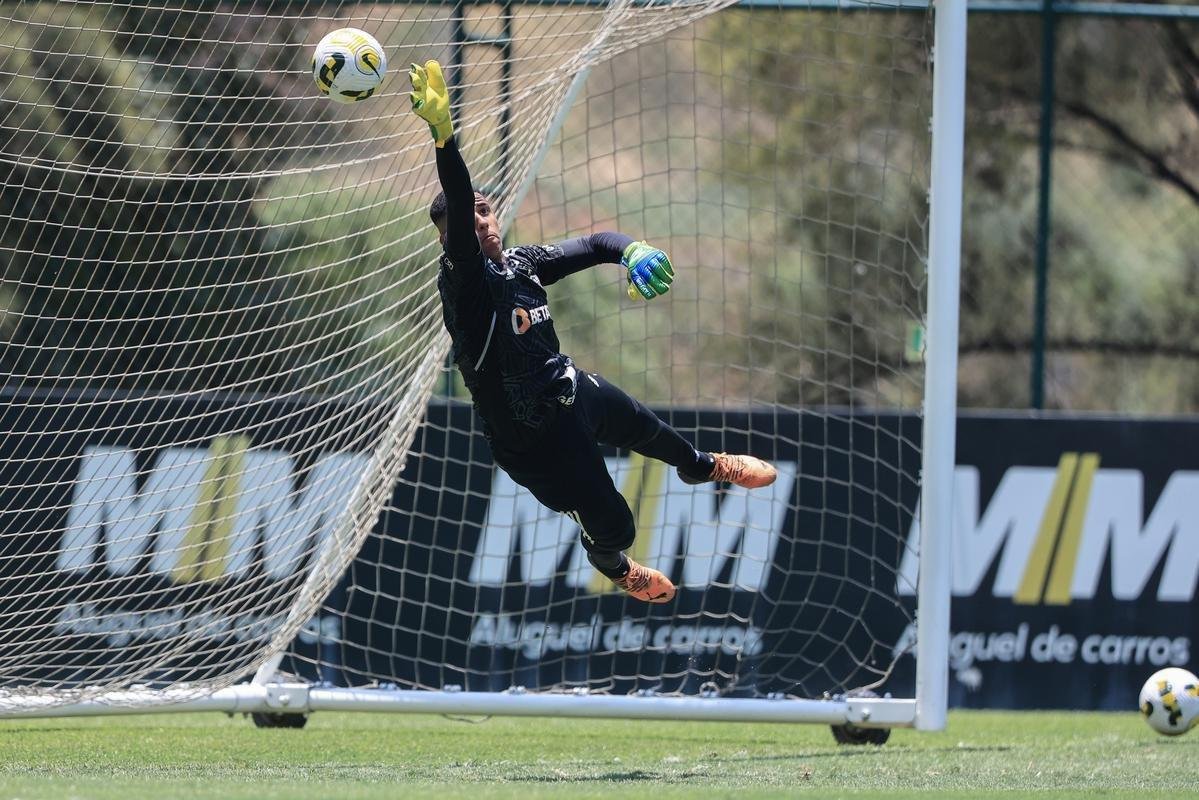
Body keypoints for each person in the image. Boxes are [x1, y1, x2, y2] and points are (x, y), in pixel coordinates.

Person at [409, 60, 777, 603]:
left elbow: (596, 243)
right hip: (533, 440)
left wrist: (633, 251)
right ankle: (613, 564)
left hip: (567, 388)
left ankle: (705, 467)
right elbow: (458, 202)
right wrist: (444, 136)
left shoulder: (522, 263)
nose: (479, 221)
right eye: (467, 220)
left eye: (486, 211)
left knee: (648, 429)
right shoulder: (464, 283)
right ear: (448, 239)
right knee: (617, 528)